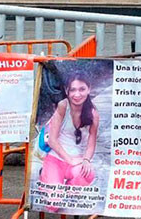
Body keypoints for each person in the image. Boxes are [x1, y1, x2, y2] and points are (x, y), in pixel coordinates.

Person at [39, 73, 100, 204]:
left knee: (87, 173)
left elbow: (91, 141)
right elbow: (52, 140)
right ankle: (47, 177)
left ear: (89, 89)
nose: (77, 94)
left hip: (76, 161)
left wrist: (86, 160)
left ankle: (66, 190)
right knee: (54, 203)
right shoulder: (63, 106)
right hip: (56, 159)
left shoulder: (93, 113)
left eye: (82, 89)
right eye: (73, 90)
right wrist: (69, 159)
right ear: (67, 91)